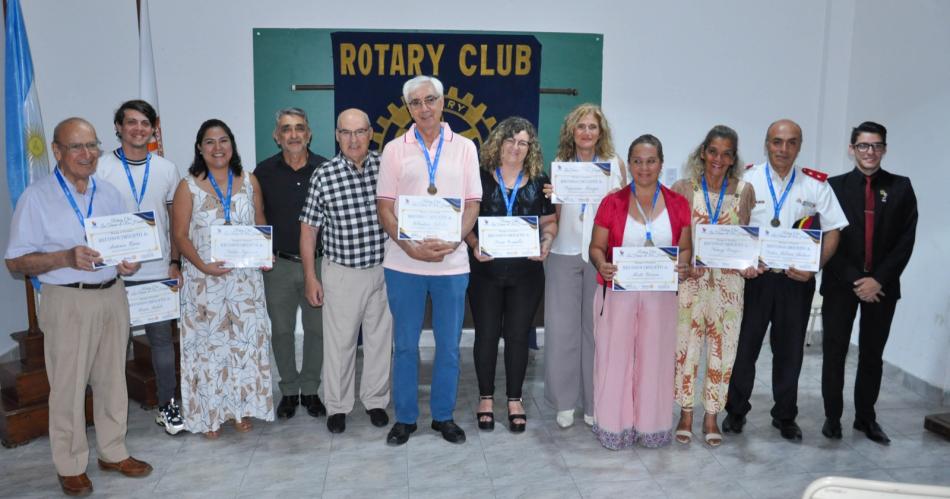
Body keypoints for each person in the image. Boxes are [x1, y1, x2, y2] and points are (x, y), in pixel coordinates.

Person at [5, 118, 152, 496]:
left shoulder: (109, 193)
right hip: (67, 300)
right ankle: (70, 463)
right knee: (68, 387)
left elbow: (121, 245)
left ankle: (113, 451)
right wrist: (65, 257)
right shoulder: (36, 197)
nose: (87, 155)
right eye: (76, 147)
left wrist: (127, 261)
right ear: (57, 151)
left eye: (92, 146)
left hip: (111, 294)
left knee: (112, 380)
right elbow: (16, 263)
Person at [722, 119, 848, 441]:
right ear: (767, 143)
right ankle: (736, 411)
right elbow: (734, 226)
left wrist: (815, 266)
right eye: (777, 141)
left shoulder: (815, 186)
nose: (783, 148)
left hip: (796, 281)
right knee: (745, 349)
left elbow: (834, 229)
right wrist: (743, 262)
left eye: (791, 142)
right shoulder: (747, 179)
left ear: (799, 147)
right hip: (757, 280)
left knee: (790, 351)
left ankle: (785, 416)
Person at [376, 75, 481, 445]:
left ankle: (443, 416)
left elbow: (472, 203)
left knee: (449, 344)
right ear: (409, 108)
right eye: (416, 102)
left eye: (430, 100)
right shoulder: (393, 150)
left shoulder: (466, 147)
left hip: (451, 264)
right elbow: (385, 206)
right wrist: (407, 244)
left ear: (442, 101)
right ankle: (405, 418)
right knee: (404, 344)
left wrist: (455, 240)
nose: (424, 108)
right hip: (404, 264)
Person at [172, 119, 274, 438]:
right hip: (205, 282)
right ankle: (208, 413)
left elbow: (260, 221)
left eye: (224, 140)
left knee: (243, 346)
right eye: (210, 142)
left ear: (232, 144)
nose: (218, 147)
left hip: (244, 282)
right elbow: (178, 234)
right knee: (208, 347)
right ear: (200, 149)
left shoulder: (249, 181)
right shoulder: (187, 186)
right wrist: (203, 265)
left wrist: (265, 253)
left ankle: (240, 409)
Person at [588, 134, 691, 449]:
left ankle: (652, 427)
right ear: (629, 163)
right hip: (617, 293)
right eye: (637, 161)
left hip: (660, 296)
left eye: (650, 161)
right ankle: (612, 426)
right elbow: (596, 247)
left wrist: (683, 265)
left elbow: (685, 248)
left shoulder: (678, 203)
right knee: (613, 359)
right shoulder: (612, 202)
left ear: (661, 163)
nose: (644, 168)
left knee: (656, 359)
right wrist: (602, 264)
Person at [820, 121, 917, 445]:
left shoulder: (901, 187)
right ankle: (832, 418)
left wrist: (877, 280)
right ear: (852, 149)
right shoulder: (832, 188)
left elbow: (905, 241)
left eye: (876, 146)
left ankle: (865, 418)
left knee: (872, 355)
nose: (870, 152)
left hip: (882, 288)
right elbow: (827, 240)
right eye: (863, 145)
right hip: (840, 283)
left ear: (884, 150)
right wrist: (856, 279)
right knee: (834, 353)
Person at [300, 108, 392, 434]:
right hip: (341, 272)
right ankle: (337, 406)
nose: (353, 139)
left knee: (381, 340)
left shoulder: (386, 167)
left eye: (360, 132)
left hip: (383, 271)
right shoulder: (323, 175)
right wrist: (311, 276)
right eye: (346, 132)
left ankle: (376, 401)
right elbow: (309, 229)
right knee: (340, 345)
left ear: (370, 134)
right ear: (337, 135)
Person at [96, 100, 184, 435]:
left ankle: (167, 406)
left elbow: (176, 223)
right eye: (131, 122)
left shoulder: (166, 168)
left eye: (145, 123)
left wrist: (175, 262)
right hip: (111, 274)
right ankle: (110, 416)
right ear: (118, 127)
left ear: (153, 129)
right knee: (112, 347)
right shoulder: (101, 168)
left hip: (157, 270)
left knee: (162, 342)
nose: (138, 129)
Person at [464, 117, 557, 433]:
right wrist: (474, 244)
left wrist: (545, 244)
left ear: (529, 148)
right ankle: (486, 399)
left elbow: (549, 223)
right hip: (485, 271)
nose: (516, 148)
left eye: (523, 143)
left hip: (526, 273)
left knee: (518, 335)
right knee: (487, 334)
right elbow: (466, 222)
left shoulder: (539, 181)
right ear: (498, 143)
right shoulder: (478, 179)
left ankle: (515, 399)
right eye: (510, 140)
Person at [670, 125, 756, 446]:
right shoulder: (682, 187)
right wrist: (682, 259)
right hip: (691, 282)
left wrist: (749, 264)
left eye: (727, 153)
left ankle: (712, 415)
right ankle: (686, 412)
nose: (719, 159)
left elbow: (746, 238)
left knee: (724, 349)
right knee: (686, 348)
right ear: (703, 152)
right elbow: (676, 235)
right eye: (713, 151)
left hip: (729, 285)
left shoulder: (743, 190)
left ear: (733, 158)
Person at [544, 104, 627, 429]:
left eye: (593, 127)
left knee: (597, 330)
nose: (587, 133)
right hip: (564, 252)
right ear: (571, 132)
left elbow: (621, 213)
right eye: (581, 127)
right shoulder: (560, 167)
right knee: (562, 329)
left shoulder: (615, 166)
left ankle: (595, 401)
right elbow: (553, 217)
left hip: (599, 255)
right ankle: (564, 403)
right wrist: (554, 197)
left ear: (600, 132)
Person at [255, 107, 328, 420]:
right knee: (282, 331)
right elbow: (257, 215)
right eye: (286, 129)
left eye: (299, 127)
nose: (294, 134)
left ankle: (310, 389)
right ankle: (287, 390)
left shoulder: (326, 169)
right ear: (277, 136)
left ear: (309, 133)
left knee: (317, 330)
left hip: (321, 263)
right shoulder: (263, 172)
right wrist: (260, 250)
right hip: (279, 266)